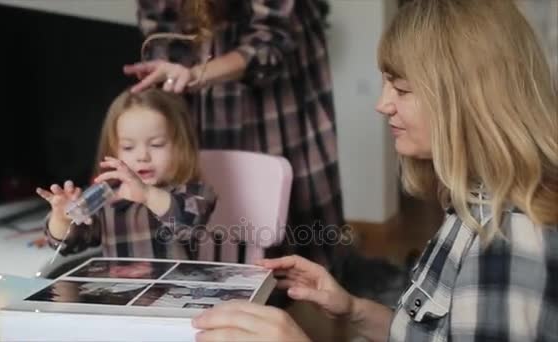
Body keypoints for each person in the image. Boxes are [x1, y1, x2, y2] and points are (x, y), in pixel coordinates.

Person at [191, 0, 558, 340]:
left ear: (466, 101)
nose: (382, 105)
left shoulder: (506, 240)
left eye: (401, 88)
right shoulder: (473, 203)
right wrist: (354, 310)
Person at [123, 0, 345, 264]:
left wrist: (193, 74)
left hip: (274, 83)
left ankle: (307, 288)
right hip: (193, 74)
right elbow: (160, 30)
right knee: (214, 195)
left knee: (288, 201)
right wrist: (169, 76)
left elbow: (270, 39)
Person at [36, 88, 217, 259]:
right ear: (114, 151)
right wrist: (62, 218)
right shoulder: (105, 196)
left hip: (177, 291)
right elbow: (70, 245)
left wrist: (146, 194)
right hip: (125, 291)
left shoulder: (193, 192)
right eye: (128, 147)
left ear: (181, 147)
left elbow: (191, 222)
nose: (142, 156)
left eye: (157, 144)